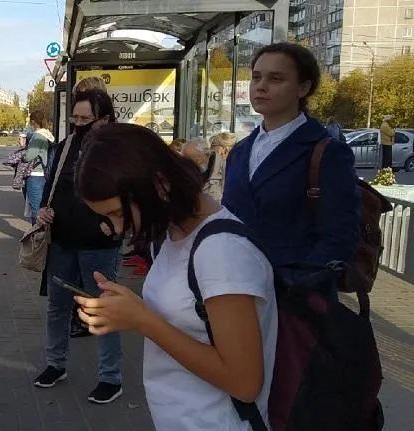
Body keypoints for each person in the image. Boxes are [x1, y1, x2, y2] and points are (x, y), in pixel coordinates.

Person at [72, 122, 277, 430]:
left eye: (118, 213)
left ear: (159, 184)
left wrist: (142, 319)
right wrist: (127, 310)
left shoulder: (222, 252)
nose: (117, 228)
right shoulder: (174, 233)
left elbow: (244, 382)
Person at [221, 42, 360, 288]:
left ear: (303, 88)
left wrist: (297, 283)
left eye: (275, 79)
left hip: (295, 297)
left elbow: (340, 235)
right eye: (256, 77)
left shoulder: (326, 151)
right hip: (236, 286)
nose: (261, 86)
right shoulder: (240, 151)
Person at [33, 89, 124, 404]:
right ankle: (55, 364)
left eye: (86, 119)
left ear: (105, 119)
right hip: (62, 241)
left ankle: (110, 377)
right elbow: (51, 185)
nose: (79, 124)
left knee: (101, 308)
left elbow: (132, 191)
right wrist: (43, 209)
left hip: (99, 245)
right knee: (57, 306)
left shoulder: (115, 150)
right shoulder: (65, 146)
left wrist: (116, 222)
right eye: (75, 117)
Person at [22, 110, 55, 224]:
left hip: (35, 174)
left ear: (33, 122)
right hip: (43, 173)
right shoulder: (48, 135)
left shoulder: (37, 136)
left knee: (36, 209)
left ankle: (37, 232)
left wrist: (22, 152)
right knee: (42, 205)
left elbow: (29, 156)